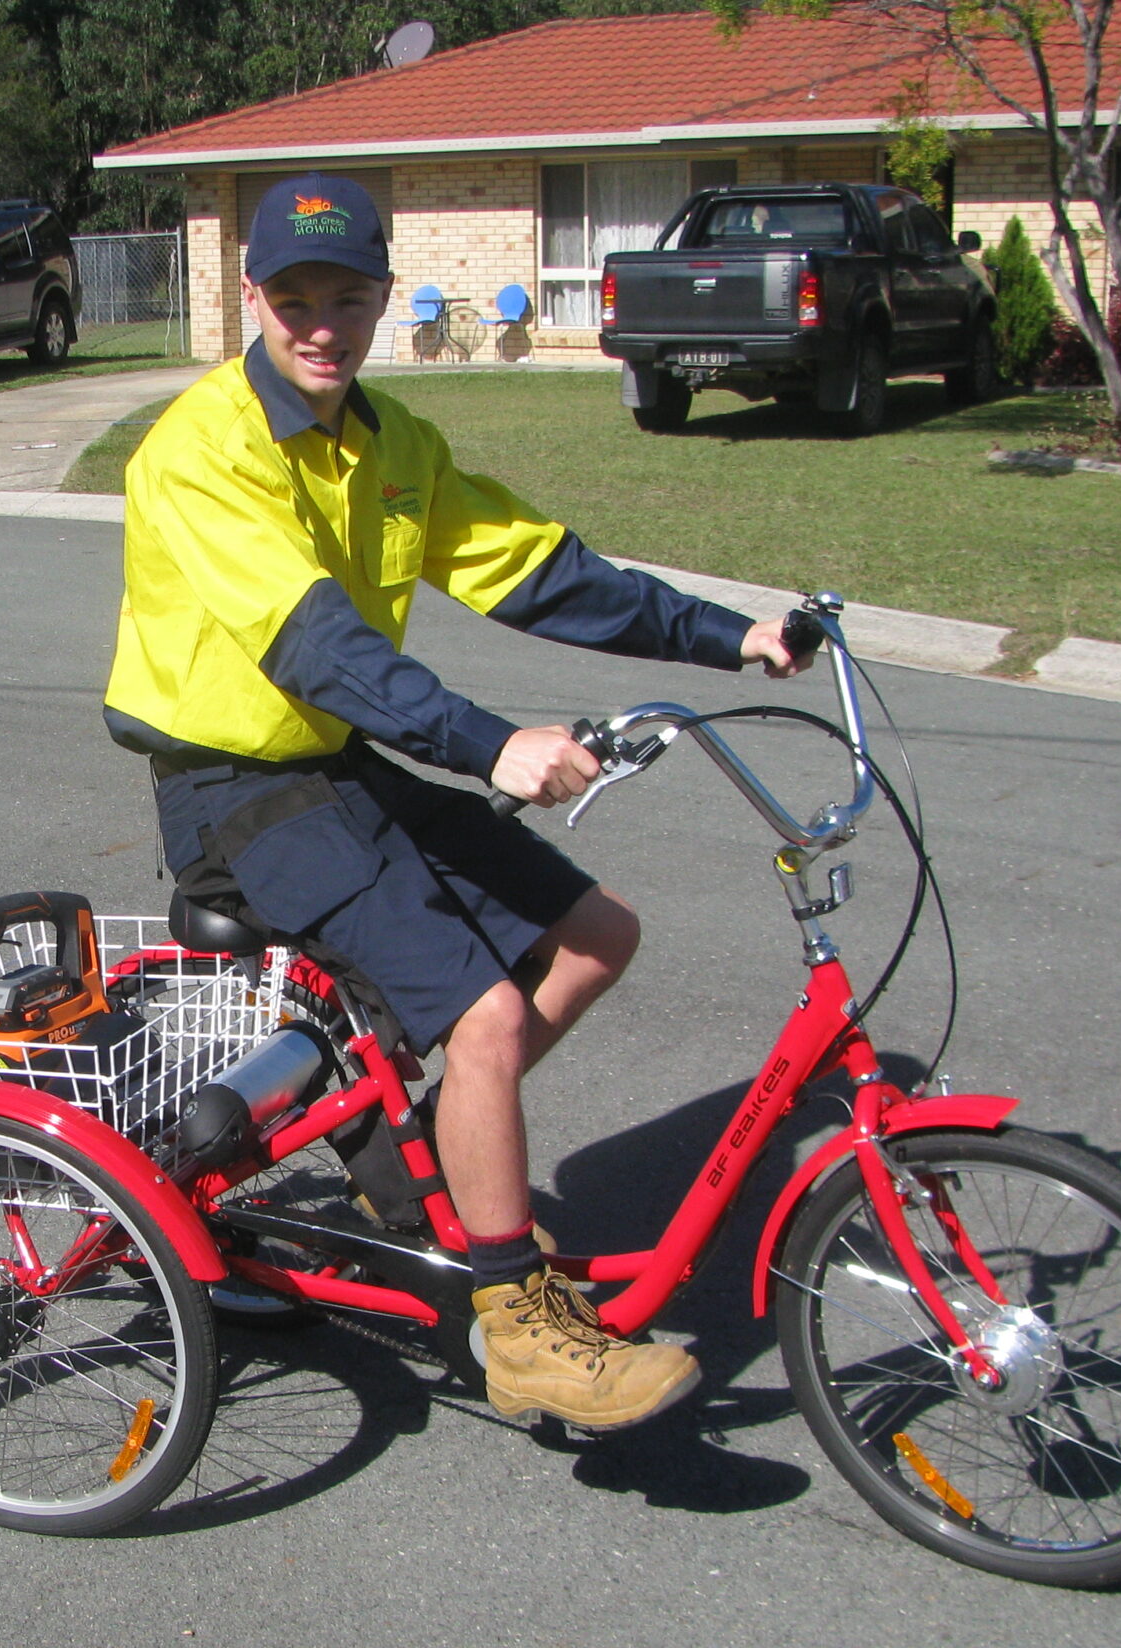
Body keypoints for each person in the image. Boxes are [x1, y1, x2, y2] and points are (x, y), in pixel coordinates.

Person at [103, 173, 810, 1430]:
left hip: (334, 763)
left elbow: (539, 572)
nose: (322, 322)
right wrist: (490, 747)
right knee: (484, 1014)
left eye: (349, 295)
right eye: (295, 297)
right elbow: (318, 646)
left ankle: (421, 1154)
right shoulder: (199, 451)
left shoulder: (391, 445)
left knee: (597, 936)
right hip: (234, 789)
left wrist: (733, 635)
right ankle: (519, 1328)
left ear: (380, 297)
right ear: (253, 299)